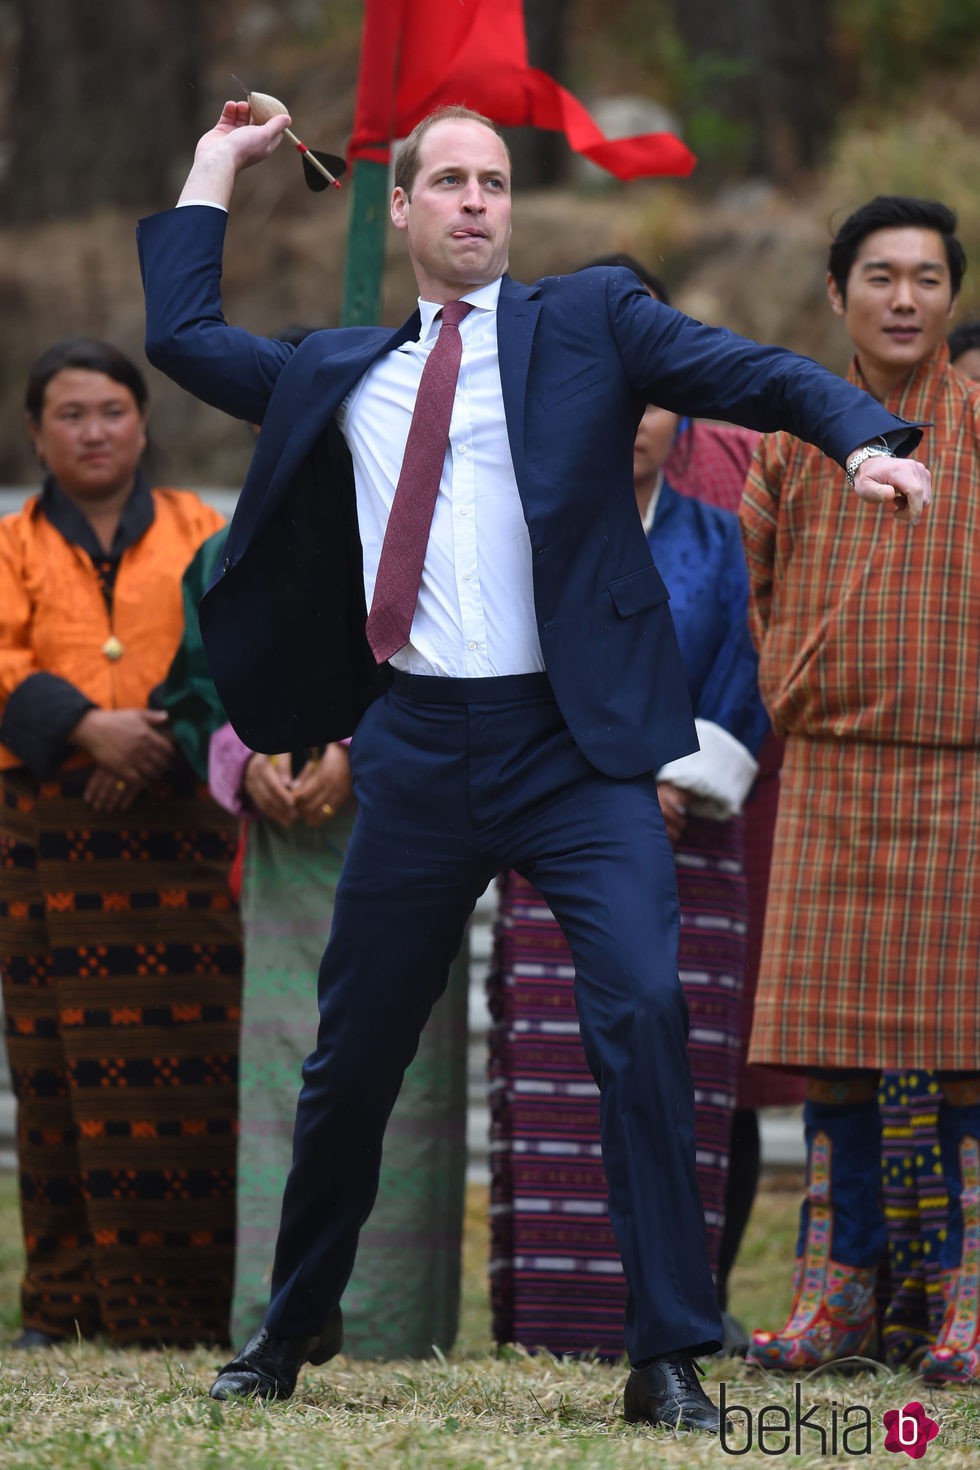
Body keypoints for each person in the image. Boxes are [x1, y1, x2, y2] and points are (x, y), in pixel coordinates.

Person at [137, 101, 928, 1431]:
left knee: (641, 1016)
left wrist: (859, 436)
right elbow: (182, 335)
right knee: (355, 1055)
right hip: (419, 745)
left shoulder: (596, 321)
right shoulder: (339, 369)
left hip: (576, 748)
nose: (474, 202)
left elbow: (751, 371)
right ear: (400, 210)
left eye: (494, 182)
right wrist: (220, 160)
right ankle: (292, 1322)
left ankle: (666, 1349)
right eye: (446, 181)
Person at [741, 196, 980, 1385]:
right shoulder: (786, 435)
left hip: (965, 777)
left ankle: (966, 1305)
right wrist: (793, 682)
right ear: (834, 295)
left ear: (949, 298)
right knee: (829, 1061)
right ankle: (833, 1298)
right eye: (877, 277)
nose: (901, 299)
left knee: (969, 1058)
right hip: (829, 773)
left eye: (925, 280)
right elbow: (759, 587)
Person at [488, 396, 767, 1358]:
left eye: (648, 397)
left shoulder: (727, 541)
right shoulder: (523, 530)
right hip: (555, 827)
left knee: (683, 1072)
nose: (625, 419)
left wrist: (670, 775)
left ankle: (678, 1318)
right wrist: (613, 781)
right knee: (557, 1075)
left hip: (700, 834)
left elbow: (750, 664)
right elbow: (504, 671)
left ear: (682, 416)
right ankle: (556, 1327)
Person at [166, 529, 470, 1356]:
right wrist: (242, 757)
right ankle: (276, 1324)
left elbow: (461, 661)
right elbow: (195, 688)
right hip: (281, 839)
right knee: (281, 1079)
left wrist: (355, 748)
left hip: (414, 821)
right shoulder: (226, 549)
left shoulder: (427, 525)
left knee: (399, 1079)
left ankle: (392, 1326)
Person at [0, 338, 240, 1347]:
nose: (93, 431)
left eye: (111, 410)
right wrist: (81, 727)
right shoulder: (10, 546)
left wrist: (154, 734)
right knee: (51, 1072)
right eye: (70, 414)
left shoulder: (202, 528)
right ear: (36, 433)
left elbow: (237, 645)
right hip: (44, 838)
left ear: (144, 422)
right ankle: (65, 1302)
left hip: (181, 838)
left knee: (193, 1070)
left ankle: (192, 1302)